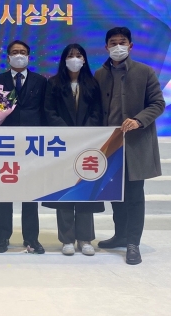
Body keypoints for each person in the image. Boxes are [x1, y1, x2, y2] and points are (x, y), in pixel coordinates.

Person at [94, 27, 165, 265]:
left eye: (122, 42)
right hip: (110, 145)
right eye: (113, 43)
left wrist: (138, 120)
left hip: (135, 144)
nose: (118, 47)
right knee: (115, 194)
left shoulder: (145, 72)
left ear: (131, 46)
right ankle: (120, 235)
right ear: (106, 47)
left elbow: (158, 104)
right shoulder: (99, 75)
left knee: (134, 195)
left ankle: (133, 243)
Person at [43, 43, 104, 256]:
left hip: (87, 144)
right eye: (71, 55)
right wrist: (67, 133)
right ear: (64, 59)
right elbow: (49, 111)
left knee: (85, 190)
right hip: (62, 144)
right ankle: (67, 239)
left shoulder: (93, 83)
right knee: (66, 191)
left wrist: (85, 133)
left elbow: (97, 112)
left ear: (84, 59)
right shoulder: (53, 83)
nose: (75, 59)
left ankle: (85, 238)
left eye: (79, 55)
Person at [0, 40, 47, 254]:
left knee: (30, 193)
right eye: (15, 52)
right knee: (4, 191)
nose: (19, 55)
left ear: (29, 56)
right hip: (5, 143)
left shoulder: (40, 80)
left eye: (23, 52)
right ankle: (2, 237)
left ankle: (31, 238)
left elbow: (44, 110)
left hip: (31, 143)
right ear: (8, 57)